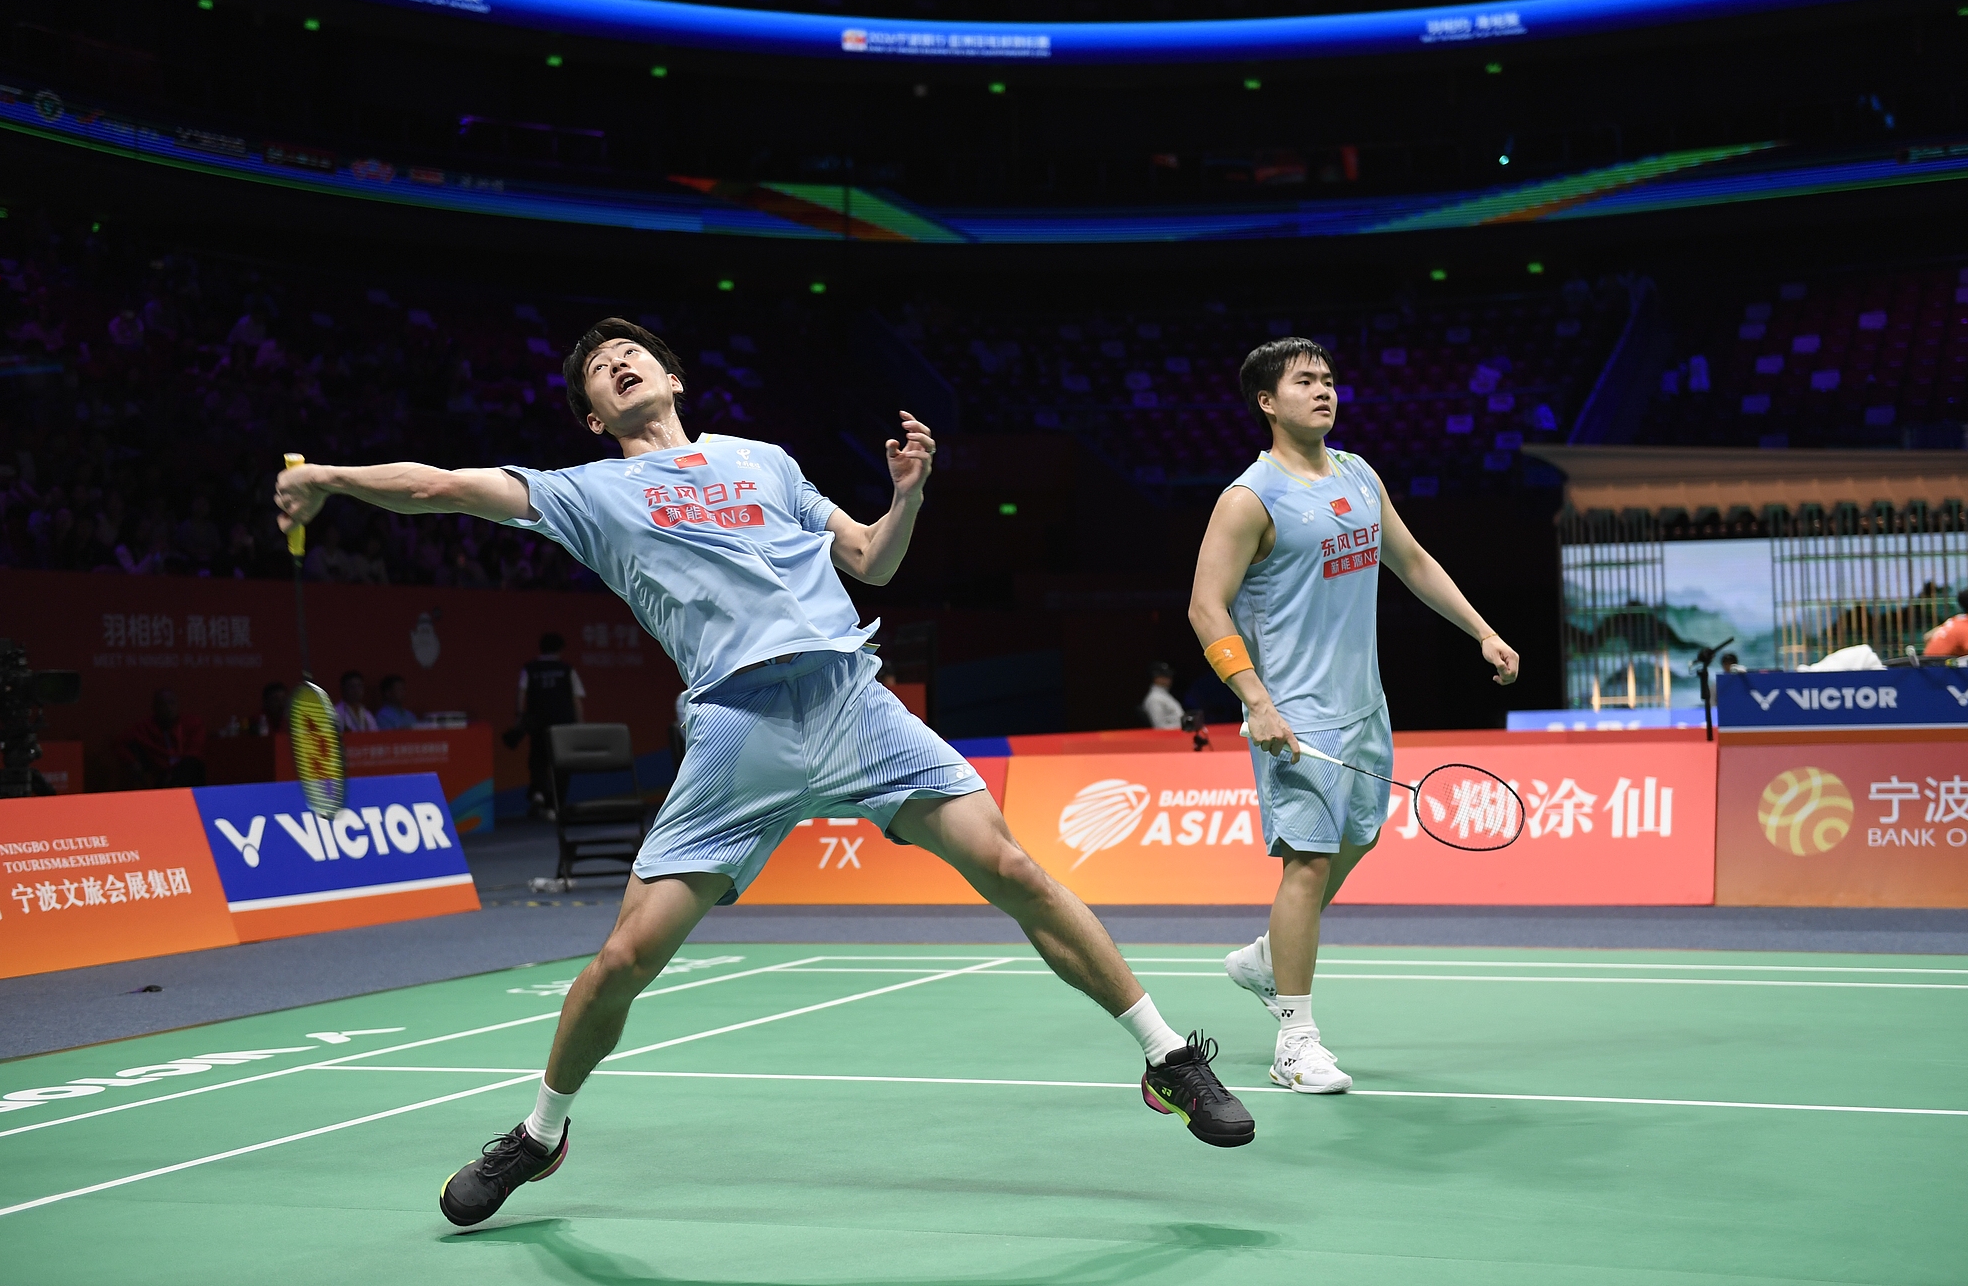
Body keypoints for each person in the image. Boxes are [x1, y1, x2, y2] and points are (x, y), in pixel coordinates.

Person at [274, 317, 1253, 1228]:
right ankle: (539, 1134)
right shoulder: (588, 493)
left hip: (851, 703)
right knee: (623, 960)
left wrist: (907, 495)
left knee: (1011, 867)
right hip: (737, 738)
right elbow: (441, 487)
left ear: (672, 376)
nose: (618, 364)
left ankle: (1165, 1056)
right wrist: (328, 477)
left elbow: (869, 559)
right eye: (598, 370)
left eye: (631, 353)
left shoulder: (764, 462)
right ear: (593, 416)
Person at [1188, 337, 1519, 1096]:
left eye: (1329, 379)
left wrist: (1482, 631)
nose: (1324, 391)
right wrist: (1256, 700)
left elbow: (1414, 561)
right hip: (1295, 712)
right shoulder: (1249, 498)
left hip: (1364, 704)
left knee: (1356, 839)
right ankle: (1294, 1041)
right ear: (1267, 402)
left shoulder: (1359, 475)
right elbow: (1206, 606)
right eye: (1304, 381)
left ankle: (1268, 958)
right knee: (1306, 864)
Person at [519, 632, 584, 814]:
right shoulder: (567, 669)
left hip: (537, 723)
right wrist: (580, 726)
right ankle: (555, 805)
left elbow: (521, 693)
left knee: (538, 761)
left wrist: (520, 717)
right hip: (563, 725)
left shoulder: (530, 668)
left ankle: (539, 793)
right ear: (560, 649)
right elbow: (576, 699)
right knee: (561, 765)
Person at [120, 687, 208, 787]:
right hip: (161, 774)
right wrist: (132, 762)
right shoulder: (145, 727)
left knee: (192, 764)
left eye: (172, 703)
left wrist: (174, 772)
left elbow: (194, 752)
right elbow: (119, 743)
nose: (168, 707)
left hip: (185, 771)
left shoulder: (192, 723)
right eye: (163, 704)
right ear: (154, 707)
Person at [1924, 586, 1968, 657]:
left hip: (1928, 662)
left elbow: (1927, 636)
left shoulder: (1956, 620)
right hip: (1937, 663)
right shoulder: (1967, 628)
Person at [1141, 661, 1185, 730]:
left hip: (1180, 732)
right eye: (1165, 676)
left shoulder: (1164, 694)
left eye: (1169, 676)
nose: (1169, 679)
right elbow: (1160, 727)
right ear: (1155, 677)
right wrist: (1185, 726)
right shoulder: (1154, 698)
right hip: (1172, 735)